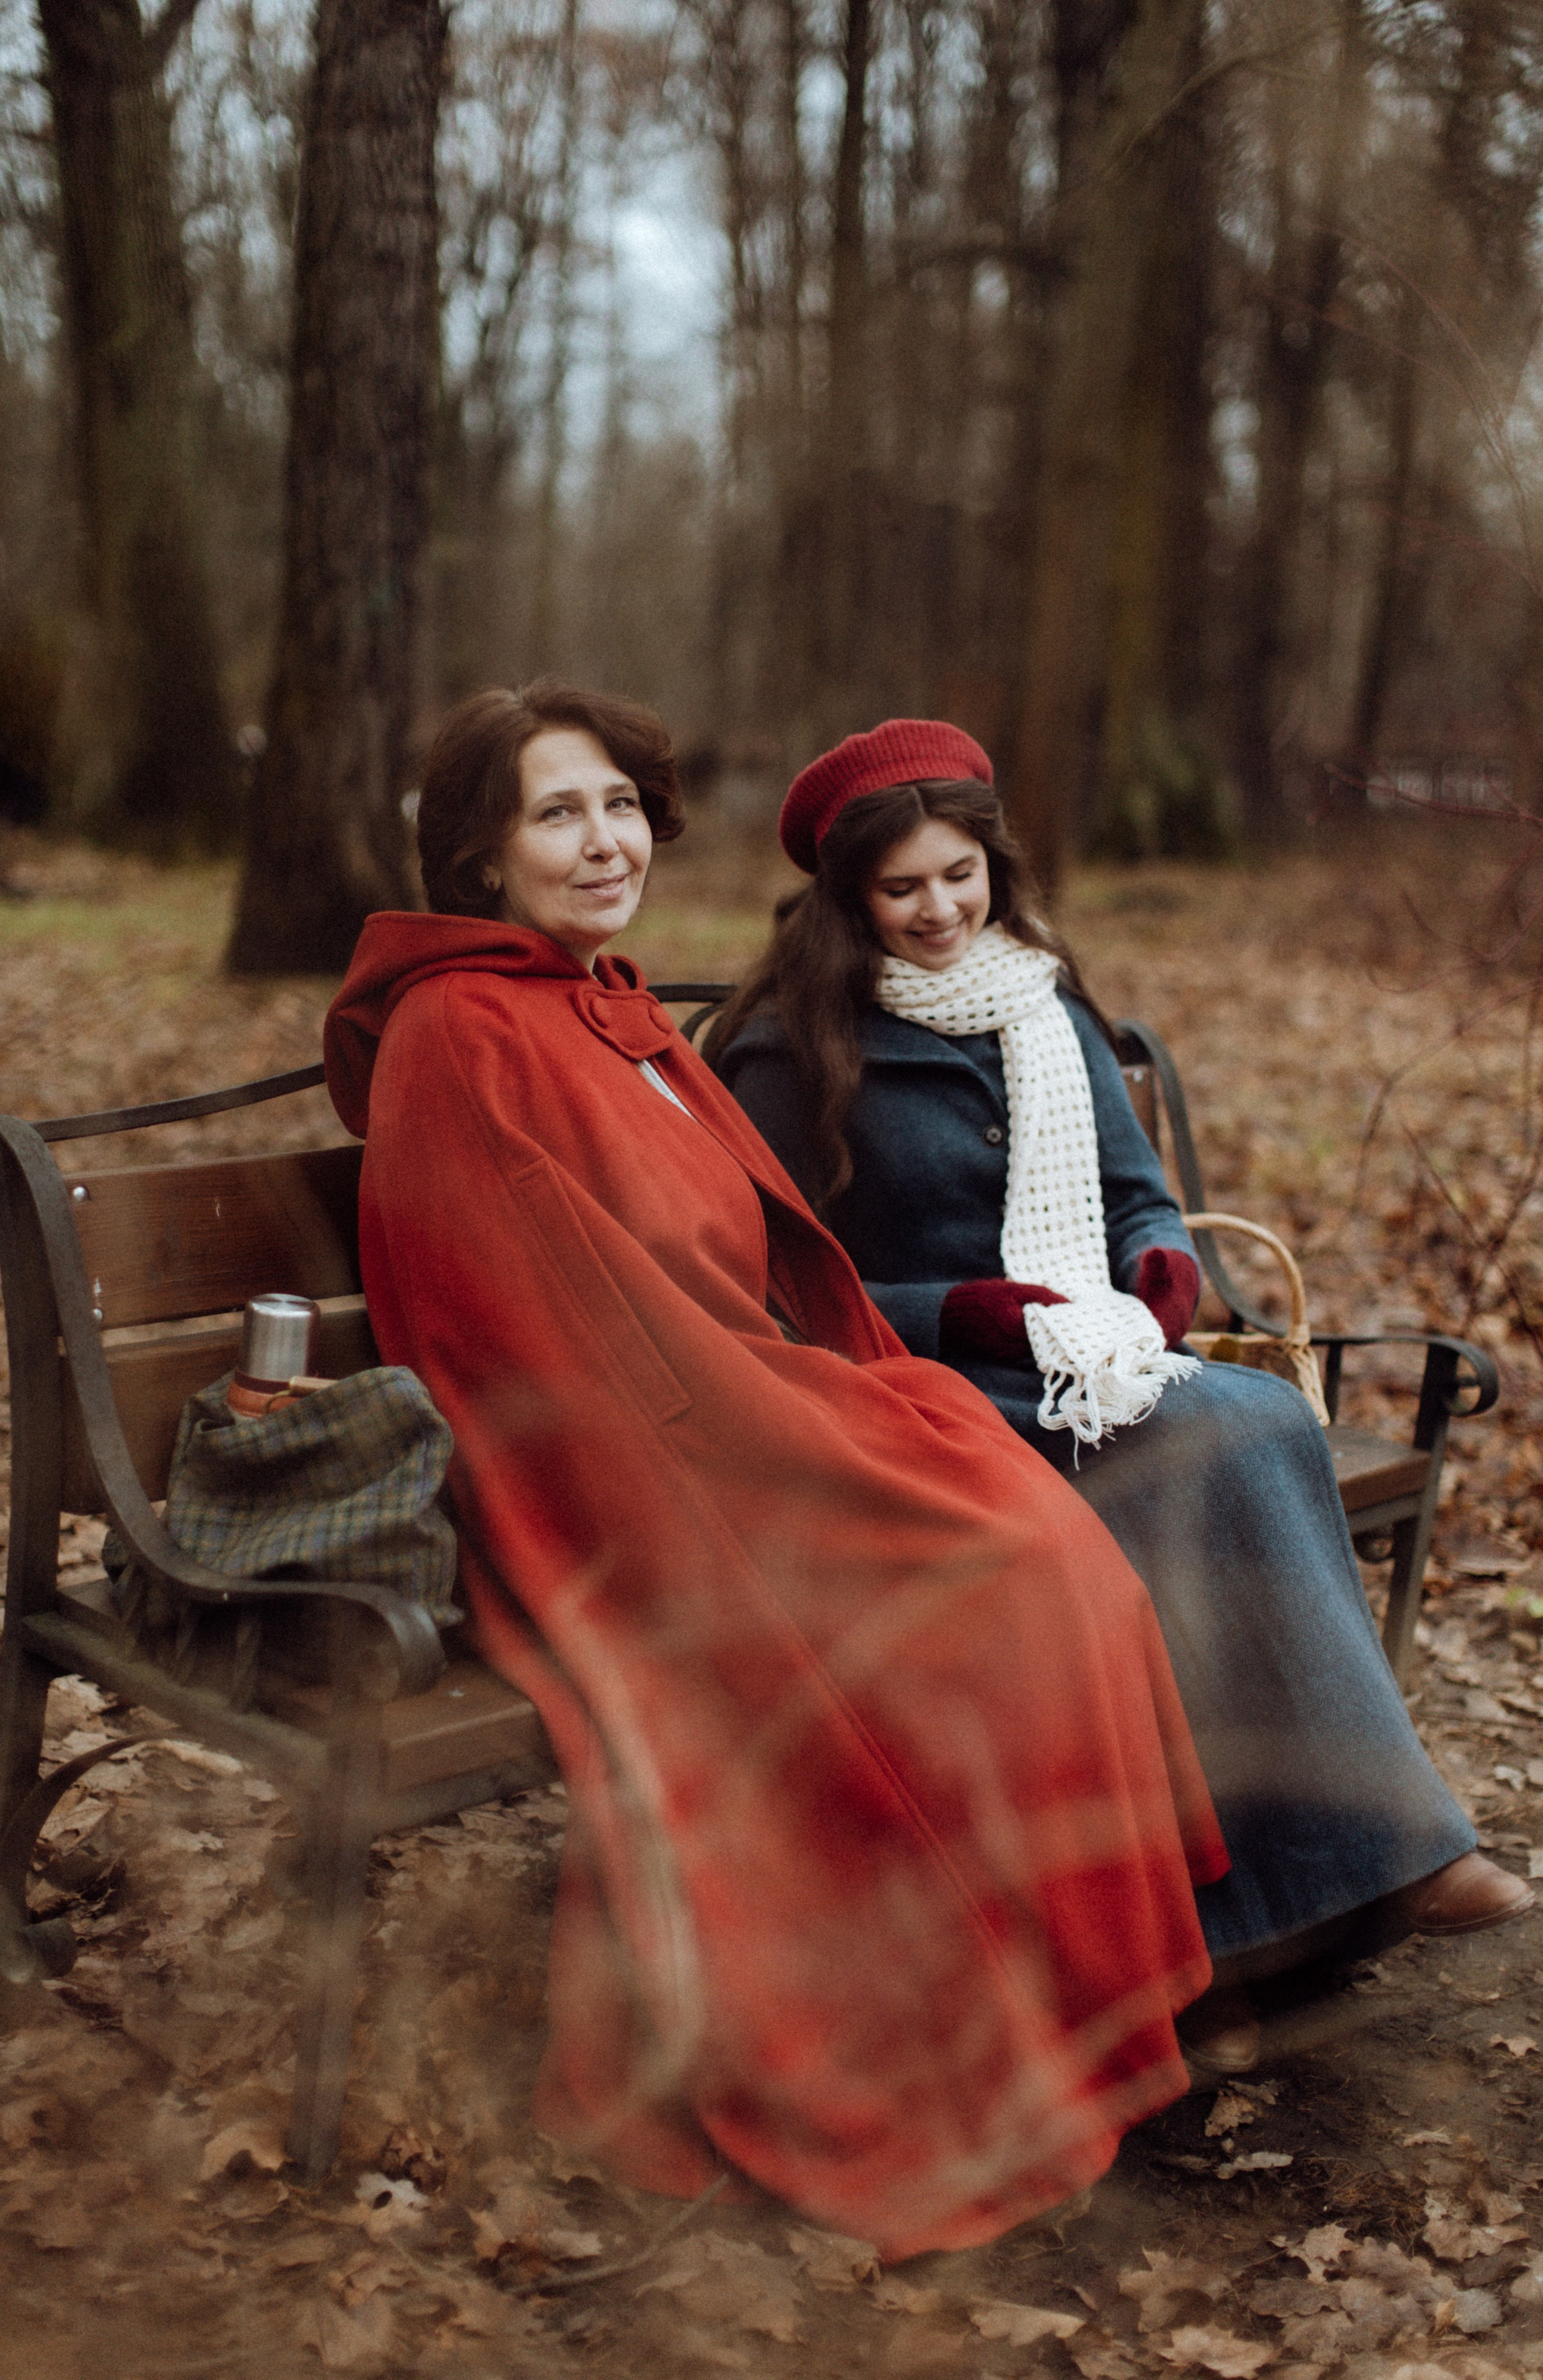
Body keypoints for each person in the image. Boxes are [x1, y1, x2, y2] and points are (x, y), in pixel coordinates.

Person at [323, 681, 1229, 2262]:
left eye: (618, 805)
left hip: (738, 1403)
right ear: (478, 854)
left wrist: (843, 1391)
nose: (604, 842)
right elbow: (550, 1342)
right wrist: (798, 1435)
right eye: (556, 813)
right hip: (640, 1475)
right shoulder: (462, 1035)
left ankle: (1074, 2014)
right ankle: (957, 2061)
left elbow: (725, 1263)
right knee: (997, 1577)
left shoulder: (586, 1000)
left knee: (1044, 1545)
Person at [708, 718, 1531, 2055]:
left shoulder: (1045, 1005)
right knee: (1216, 1437)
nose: (939, 909)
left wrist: (1158, 1273)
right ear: (848, 896)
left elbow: (1137, 1196)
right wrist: (960, 1309)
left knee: (1248, 1422)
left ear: (996, 867)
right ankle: (1342, 1874)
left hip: (1093, 1357)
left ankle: (1338, 1872)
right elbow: (779, 1283)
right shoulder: (788, 1049)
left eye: (960, 875)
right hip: (920, 1391)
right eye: (902, 887)